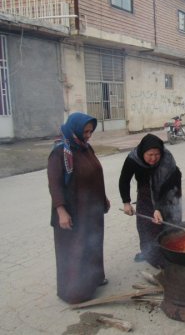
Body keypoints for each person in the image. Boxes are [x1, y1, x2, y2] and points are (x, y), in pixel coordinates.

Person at [47, 112, 110, 304]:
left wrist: (103, 198)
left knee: (93, 245)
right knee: (76, 249)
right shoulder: (61, 151)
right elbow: (54, 184)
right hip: (73, 211)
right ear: (74, 129)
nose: (89, 135)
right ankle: (75, 291)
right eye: (85, 131)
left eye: (91, 131)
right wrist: (61, 211)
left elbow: (94, 174)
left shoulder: (85, 148)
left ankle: (94, 278)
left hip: (92, 210)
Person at [119, 134, 182, 267]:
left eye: (157, 154)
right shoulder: (133, 159)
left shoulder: (167, 159)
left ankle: (174, 253)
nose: (154, 158)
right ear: (143, 152)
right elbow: (124, 180)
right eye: (150, 154)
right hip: (145, 192)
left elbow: (169, 185)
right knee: (146, 225)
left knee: (170, 221)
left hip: (168, 190)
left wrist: (158, 208)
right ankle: (148, 252)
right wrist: (126, 202)